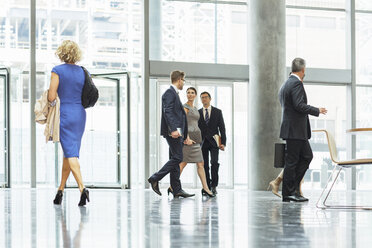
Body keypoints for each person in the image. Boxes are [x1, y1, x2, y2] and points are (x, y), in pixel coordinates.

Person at [279, 57, 327, 202]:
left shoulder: (286, 84)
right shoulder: (296, 84)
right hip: (295, 130)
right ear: (303, 69)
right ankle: (288, 193)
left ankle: (292, 189)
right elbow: (299, 105)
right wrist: (316, 110)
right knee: (292, 161)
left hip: (293, 130)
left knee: (306, 156)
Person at [51, 40, 89, 206]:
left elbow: (52, 97)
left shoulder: (57, 70)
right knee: (69, 153)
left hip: (65, 114)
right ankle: (60, 190)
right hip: (80, 114)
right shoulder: (82, 71)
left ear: (61, 53)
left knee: (71, 153)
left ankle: (82, 188)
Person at [148, 71, 195, 199]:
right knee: (178, 158)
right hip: (173, 132)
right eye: (183, 81)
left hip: (178, 132)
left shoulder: (174, 93)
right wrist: (174, 129)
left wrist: (185, 135)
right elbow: (168, 111)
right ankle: (155, 178)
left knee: (175, 158)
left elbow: (178, 115)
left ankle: (176, 189)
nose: (183, 83)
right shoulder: (169, 93)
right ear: (179, 80)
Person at [168, 87, 215, 197]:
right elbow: (182, 124)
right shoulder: (185, 107)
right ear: (186, 95)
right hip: (188, 140)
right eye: (188, 93)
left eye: (192, 93)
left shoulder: (195, 108)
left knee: (200, 164)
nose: (190, 94)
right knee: (183, 164)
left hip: (196, 140)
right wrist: (186, 138)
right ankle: (172, 186)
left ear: (195, 95)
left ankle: (206, 188)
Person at [198, 92, 226, 195]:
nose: (204, 99)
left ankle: (214, 185)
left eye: (206, 97)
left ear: (210, 99)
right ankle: (207, 186)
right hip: (203, 142)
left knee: (214, 163)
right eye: (202, 98)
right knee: (204, 165)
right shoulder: (198, 112)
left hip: (214, 142)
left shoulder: (217, 112)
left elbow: (222, 128)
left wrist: (223, 143)